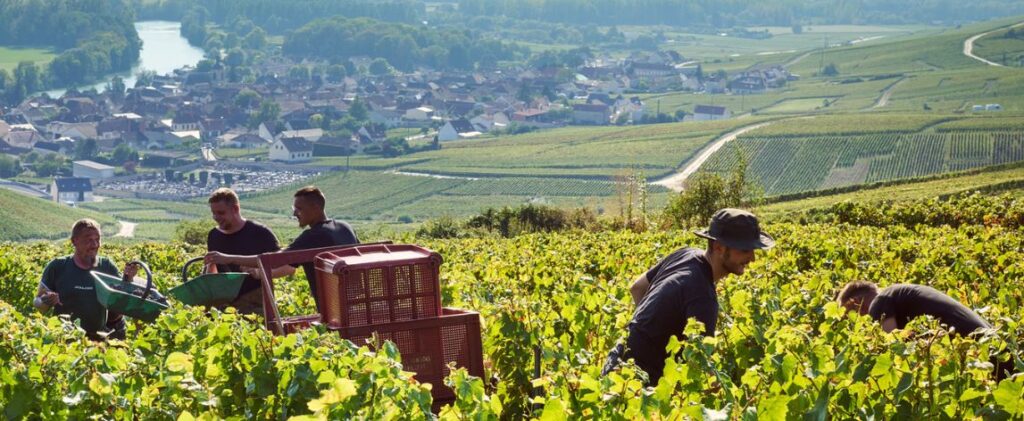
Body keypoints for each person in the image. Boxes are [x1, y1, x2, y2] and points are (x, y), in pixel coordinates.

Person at [602, 208, 775, 384]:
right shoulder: (703, 298)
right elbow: (702, 368)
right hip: (638, 385)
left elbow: (637, 288)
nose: (752, 258)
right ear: (719, 247)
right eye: (746, 250)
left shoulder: (686, 254)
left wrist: (648, 332)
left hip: (615, 367)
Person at [205, 186, 359, 312]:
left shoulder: (313, 237)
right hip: (356, 300)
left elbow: (273, 260)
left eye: (299, 208)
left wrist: (228, 258)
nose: (294, 213)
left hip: (335, 309)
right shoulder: (345, 227)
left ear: (315, 208)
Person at [837, 281, 1015, 379]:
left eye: (850, 314)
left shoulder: (880, 302)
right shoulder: (900, 292)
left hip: (981, 362)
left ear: (857, 302)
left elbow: (895, 347)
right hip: (997, 353)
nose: (857, 321)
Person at [34, 219, 139, 341]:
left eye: (97, 239)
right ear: (74, 241)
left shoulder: (107, 266)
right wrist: (46, 301)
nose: (95, 244)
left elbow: (120, 299)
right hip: (65, 339)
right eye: (88, 239)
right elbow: (38, 303)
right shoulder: (57, 267)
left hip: (97, 340)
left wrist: (128, 279)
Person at [205, 187, 280, 315]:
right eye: (214, 213)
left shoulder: (260, 233)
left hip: (256, 305)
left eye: (221, 213)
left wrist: (259, 273)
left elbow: (288, 268)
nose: (216, 217)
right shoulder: (213, 235)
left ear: (235, 209)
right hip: (225, 304)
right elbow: (214, 270)